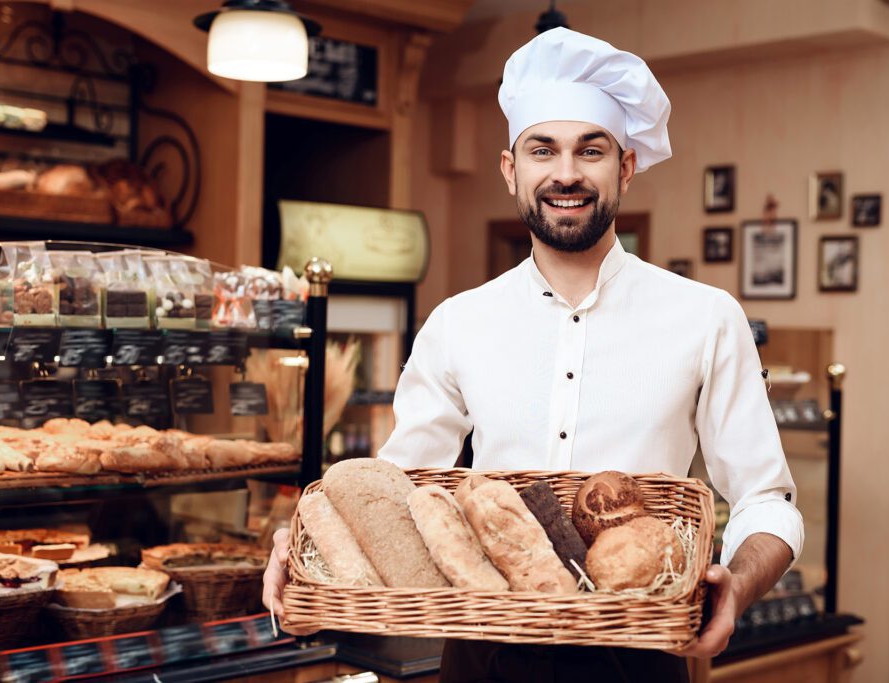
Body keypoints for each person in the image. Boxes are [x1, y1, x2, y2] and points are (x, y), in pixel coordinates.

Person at [263, 28, 803, 683]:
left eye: (591, 150)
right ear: (510, 169)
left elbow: (767, 499)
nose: (566, 173)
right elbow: (400, 492)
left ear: (625, 167)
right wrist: (303, 548)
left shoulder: (706, 317)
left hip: (637, 659)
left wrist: (736, 586)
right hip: (481, 657)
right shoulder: (458, 324)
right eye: (542, 149)